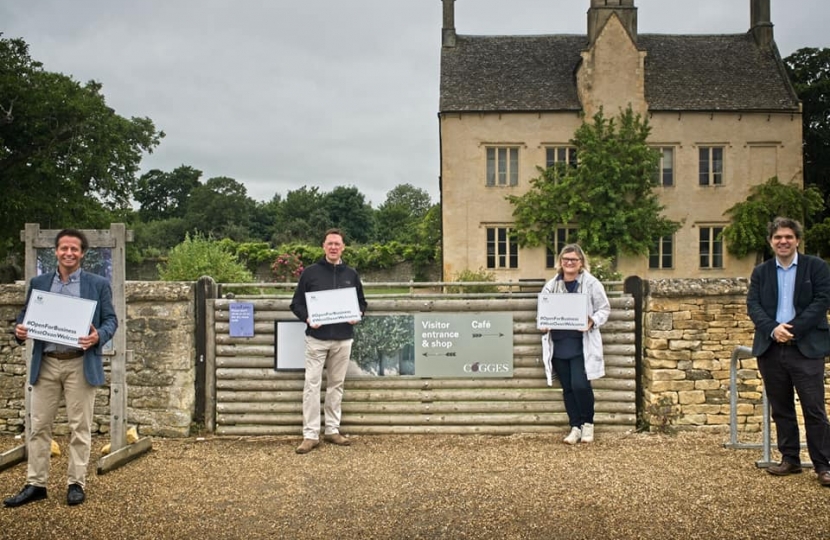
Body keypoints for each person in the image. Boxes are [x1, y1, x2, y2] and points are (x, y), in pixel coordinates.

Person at [4, 229, 118, 507]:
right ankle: (36, 484)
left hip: (79, 363)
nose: (69, 253)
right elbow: (25, 318)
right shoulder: (39, 283)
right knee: (39, 426)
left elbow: (111, 321)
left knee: (80, 428)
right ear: (55, 251)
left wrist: (98, 336)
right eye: (64, 248)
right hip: (46, 364)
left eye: (74, 249)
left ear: (82, 254)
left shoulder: (97, 284)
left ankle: (76, 483)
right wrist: (20, 331)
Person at [747, 217, 830, 488]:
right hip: (771, 349)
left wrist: (791, 329)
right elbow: (754, 305)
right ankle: (790, 459)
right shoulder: (761, 272)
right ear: (771, 241)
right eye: (778, 237)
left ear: (797, 240)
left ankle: (823, 465)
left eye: (788, 237)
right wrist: (773, 329)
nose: (783, 241)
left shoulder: (815, 267)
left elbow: (822, 301)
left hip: (805, 349)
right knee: (781, 408)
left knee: (814, 409)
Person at [290, 229, 367, 454]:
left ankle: (332, 430)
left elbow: (362, 303)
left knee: (336, 385)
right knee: (311, 386)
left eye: (337, 244)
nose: (333, 247)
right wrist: (308, 318)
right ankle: (310, 434)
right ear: (323, 246)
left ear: (343, 247)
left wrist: (358, 315)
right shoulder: (310, 273)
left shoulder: (351, 274)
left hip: (343, 339)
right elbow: (296, 304)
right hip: (316, 339)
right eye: (330, 243)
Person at [540, 244, 610, 444]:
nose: (569, 263)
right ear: (560, 262)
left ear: (581, 263)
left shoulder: (591, 283)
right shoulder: (551, 285)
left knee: (580, 385)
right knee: (568, 388)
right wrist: (544, 324)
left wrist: (592, 321)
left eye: (574, 260)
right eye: (565, 259)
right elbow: (544, 310)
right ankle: (575, 427)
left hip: (581, 344)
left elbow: (604, 309)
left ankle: (588, 424)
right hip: (559, 344)